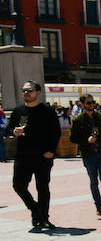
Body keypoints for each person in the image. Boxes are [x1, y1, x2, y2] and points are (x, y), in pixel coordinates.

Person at [5, 81, 61, 229]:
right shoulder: (18, 111)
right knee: (18, 185)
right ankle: (35, 209)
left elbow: (56, 132)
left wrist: (51, 151)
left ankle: (44, 218)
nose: (26, 93)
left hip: (43, 156)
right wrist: (13, 131)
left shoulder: (47, 110)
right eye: (23, 90)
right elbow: (9, 128)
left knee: (42, 187)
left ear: (38, 92)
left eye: (29, 90)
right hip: (23, 155)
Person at [69, 94, 101, 216]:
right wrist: (86, 140)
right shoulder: (77, 120)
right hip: (89, 154)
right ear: (82, 104)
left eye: (92, 102)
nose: (91, 105)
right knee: (93, 181)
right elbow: (73, 138)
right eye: (88, 103)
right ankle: (98, 207)